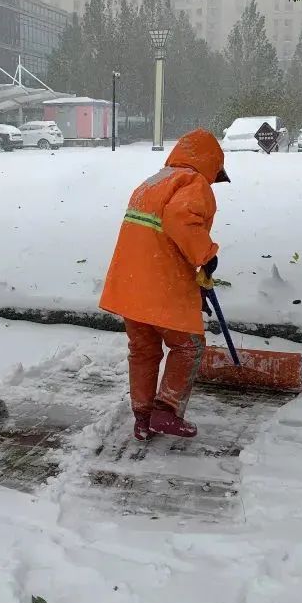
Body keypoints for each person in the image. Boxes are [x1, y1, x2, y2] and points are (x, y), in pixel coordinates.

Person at [99, 128, 229, 440]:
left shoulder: (153, 181)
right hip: (161, 286)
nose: (213, 181)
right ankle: (166, 410)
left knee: (143, 350)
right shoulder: (192, 182)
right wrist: (206, 256)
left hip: (130, 285)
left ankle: (143, 418)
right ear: (210, 162)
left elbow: (157, 232)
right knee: (189, 346)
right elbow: (180, 218)